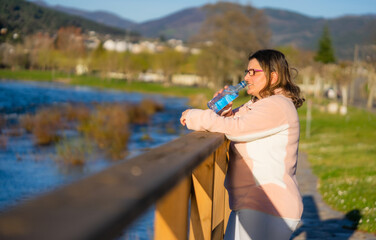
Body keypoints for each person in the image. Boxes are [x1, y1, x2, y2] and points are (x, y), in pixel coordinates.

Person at [180, 49, 305, 240]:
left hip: (268, 203)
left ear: (273, 76)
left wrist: (193, 116)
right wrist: (226, 112)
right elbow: (233, 124)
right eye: (247, 72)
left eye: (253, 72)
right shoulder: (256, 104)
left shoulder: (277, 105)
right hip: (256, 202)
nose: (246, 77)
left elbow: (237, 128)